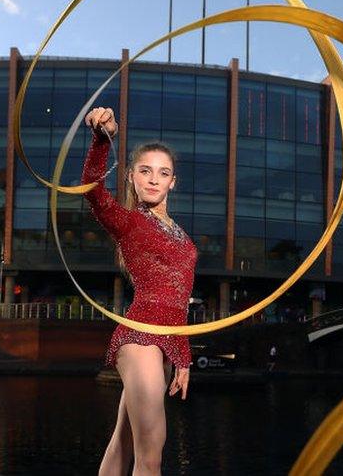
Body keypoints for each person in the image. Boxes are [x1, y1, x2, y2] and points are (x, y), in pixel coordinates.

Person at [82, 107, 197, 476]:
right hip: (139, 336)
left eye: (162, 173)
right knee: (152, 458)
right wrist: (103, 139)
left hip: (165, 341)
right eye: (145, 171)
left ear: (172, 182)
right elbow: (93, 190)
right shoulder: (129, 222)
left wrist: (182, 355)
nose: (153, 179)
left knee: (124, 441)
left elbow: (178, 299)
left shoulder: (181, 234)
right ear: (131, 176)